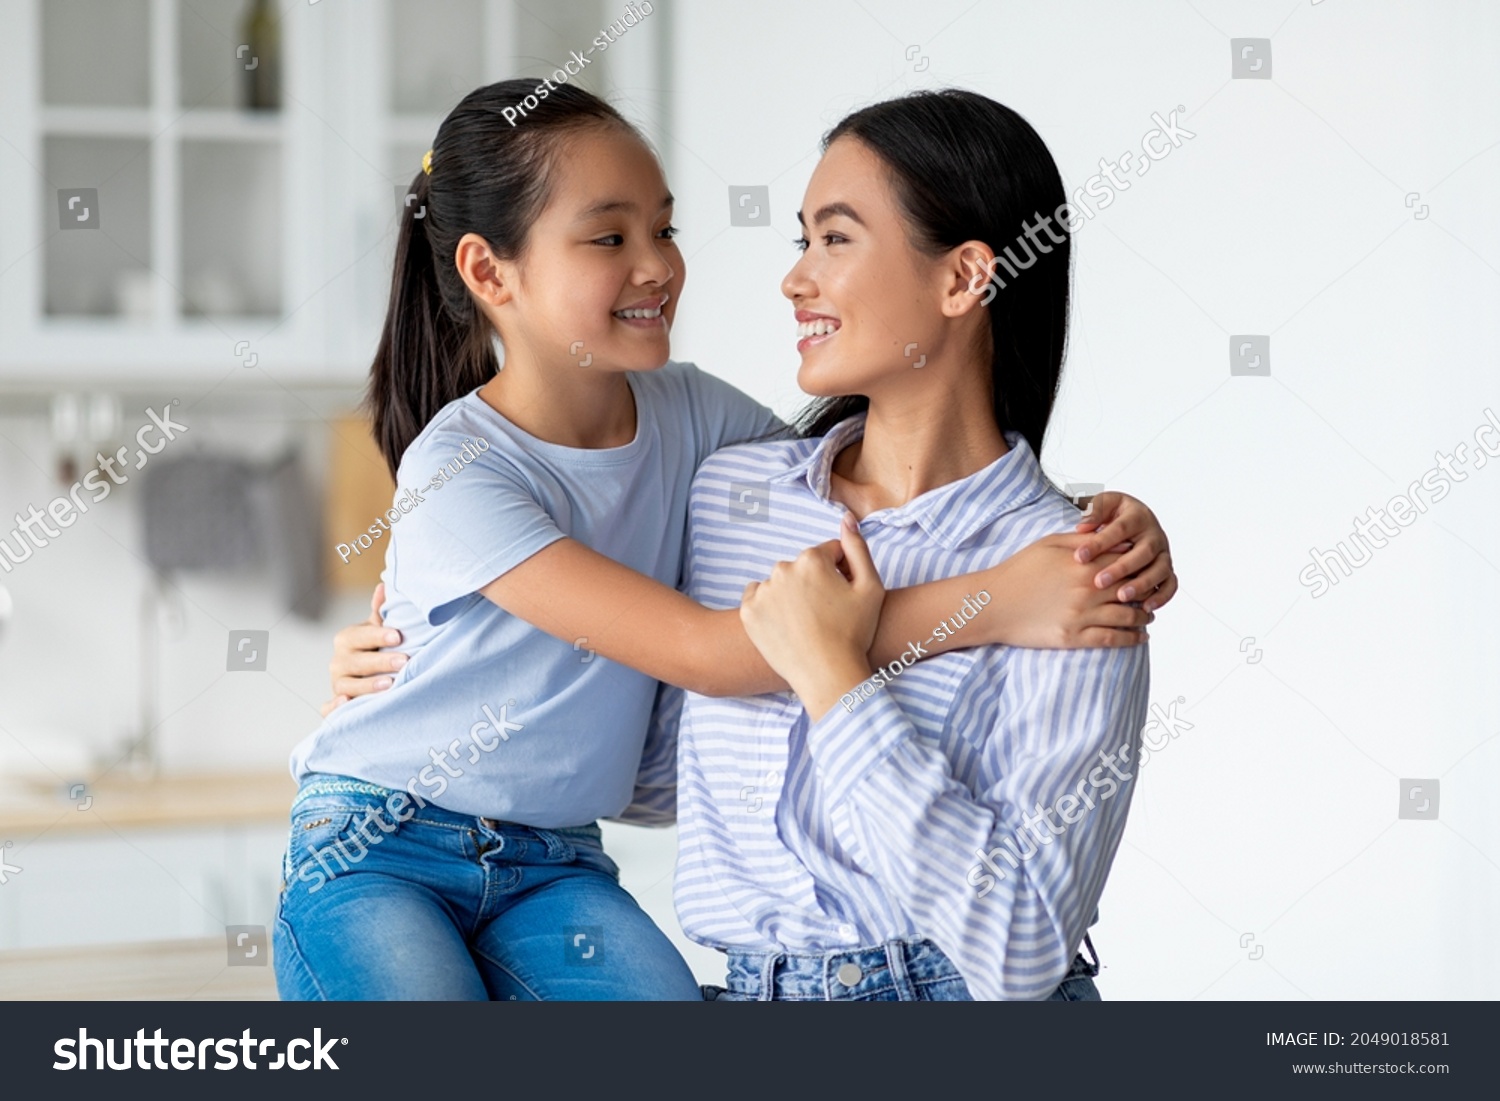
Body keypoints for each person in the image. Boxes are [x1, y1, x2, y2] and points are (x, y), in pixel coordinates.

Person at [300, 80, 1175, 1002]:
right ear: (490, 272)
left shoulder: (1075, 570)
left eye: (833, 238)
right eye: (803, 240)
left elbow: (1020, 956)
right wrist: (430, 679)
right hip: (667, 958)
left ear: (962, 277)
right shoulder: (723, 492)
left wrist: (1096, 519)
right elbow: (679, 703)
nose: (793, 279)